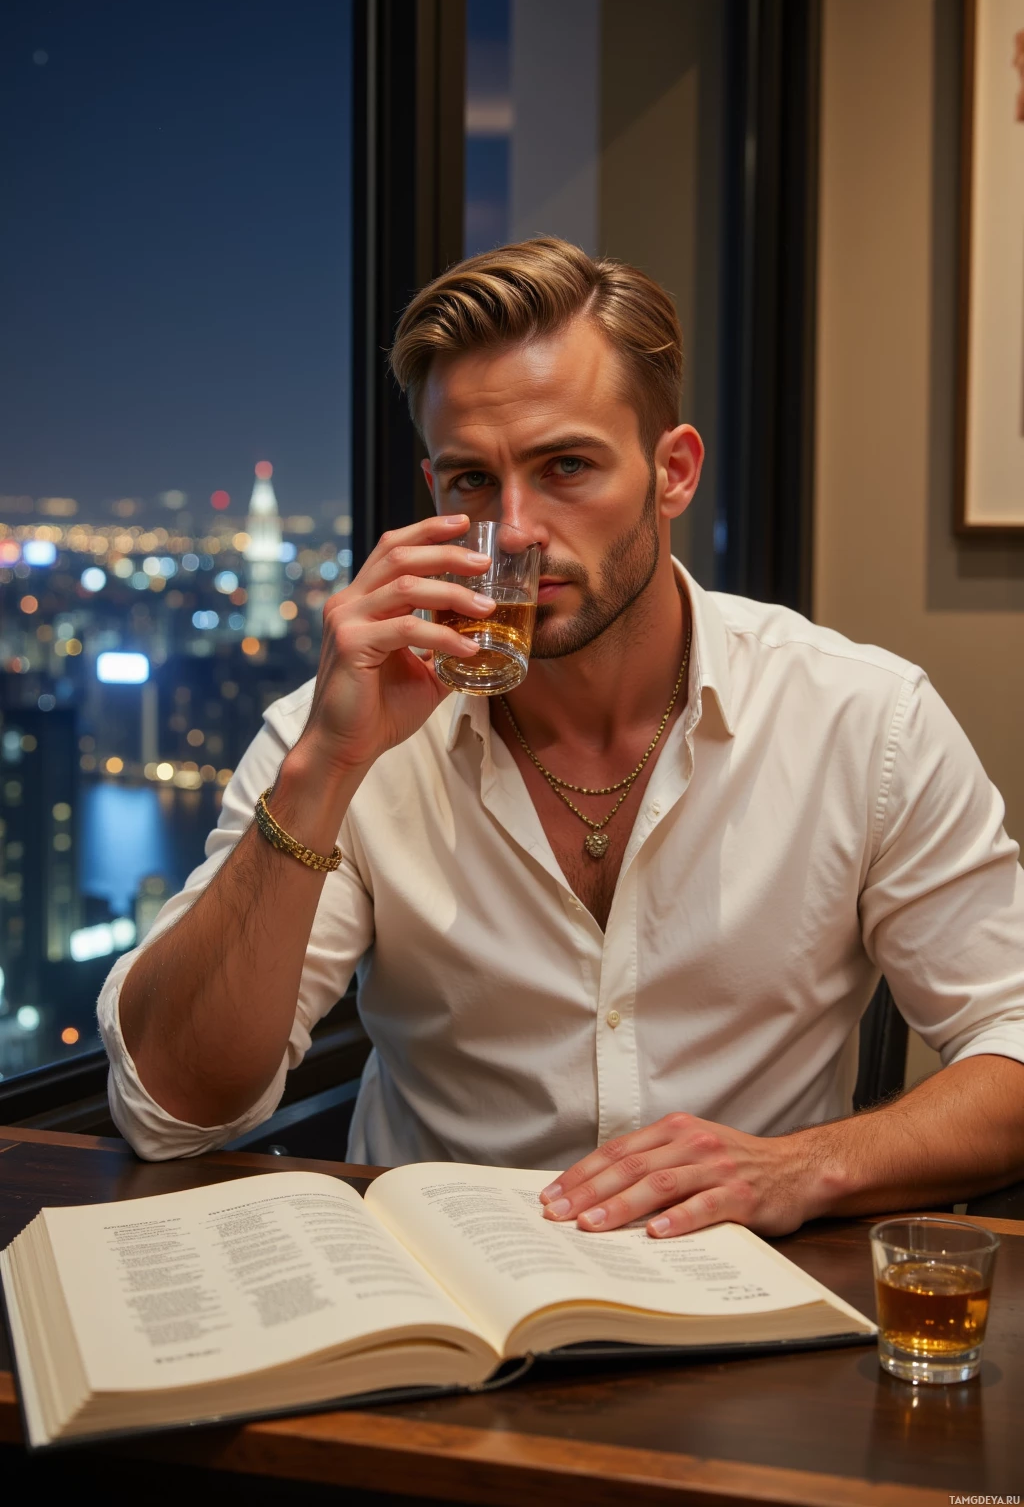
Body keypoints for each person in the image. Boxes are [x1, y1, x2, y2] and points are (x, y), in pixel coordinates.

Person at [100, 238, 1024, 1240]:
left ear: (671, 473)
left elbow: (1012, 1038)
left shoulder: (859, 720)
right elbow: (171, 1110)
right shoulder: (348, 732)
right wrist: (324, 770)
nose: (516, 526)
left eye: (566, 466)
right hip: (435, 1308)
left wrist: (804, 1167)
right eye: (469, 482)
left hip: (746, 1308)